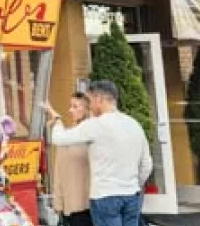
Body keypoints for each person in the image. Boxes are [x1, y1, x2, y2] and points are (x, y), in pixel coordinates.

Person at [46, 81, 152, 226]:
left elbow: (58, 139)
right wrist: (133, 184)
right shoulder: (134, 124)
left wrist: (57, 120)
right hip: (131, 195)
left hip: (105, 196)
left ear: (99, 99)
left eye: (89, 101)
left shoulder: (96, 125)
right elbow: (146, 164)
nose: (89, 106)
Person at [51, 93, 93, 226]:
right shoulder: (66, 136)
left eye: (75, 106)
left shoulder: (95, 134)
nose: (70, 110)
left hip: (93, 206)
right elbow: (59, 171)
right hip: (71, 209)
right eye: (70, 106)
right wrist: (58, 202)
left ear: (88, 109)